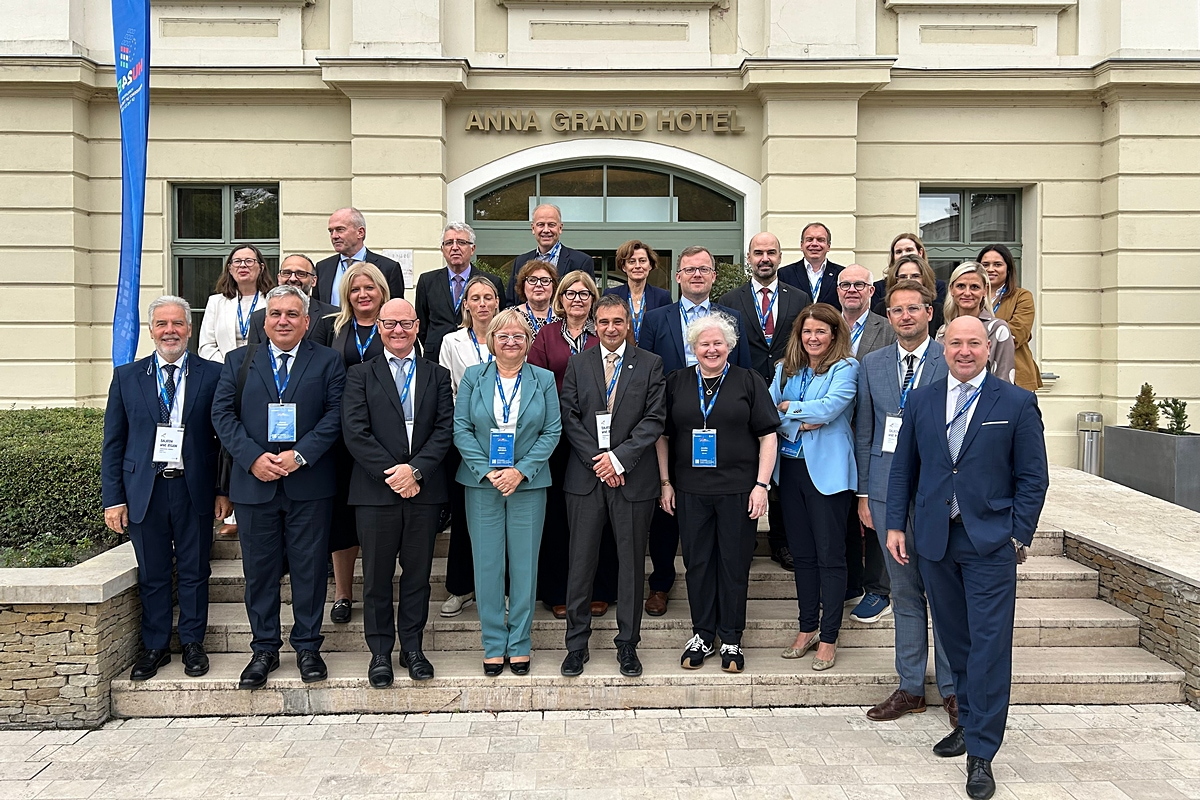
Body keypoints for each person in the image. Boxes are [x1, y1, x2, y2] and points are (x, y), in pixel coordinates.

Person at [887, 315, 1049, 800]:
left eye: (972, 343)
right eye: (954, 342)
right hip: (935, 542)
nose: (963, 351)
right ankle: (967, 722)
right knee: (955, 644)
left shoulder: (1016, 402)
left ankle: (982, 751)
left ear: (987, 347)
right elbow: (903, 471)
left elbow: (1032, 478)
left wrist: (1017, 535)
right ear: (943, 347)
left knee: (989, 647)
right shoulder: (922, 399)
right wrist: (897, 524)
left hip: (989, 542)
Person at [211, 285, 346, 689]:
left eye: (291, 314)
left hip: (309, 483)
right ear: (264, 320)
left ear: (307, 321)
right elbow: (222, 415)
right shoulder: (238, 361)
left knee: (308, 571)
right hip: (255, 484)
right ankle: (264, 649)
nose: (283, 321)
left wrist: (300, 455)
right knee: (260, 573)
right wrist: (252, 457)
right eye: (275, 314)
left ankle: (307, 647)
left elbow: (336, 415)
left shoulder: (328, 361)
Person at [102, 296, 228, 681]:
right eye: (161, 324)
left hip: (194, 488)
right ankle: (155, 646)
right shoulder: (127, 376)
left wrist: (223, 491)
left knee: (194, 571)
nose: (169, 331)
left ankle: (192, 643)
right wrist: (114, 499)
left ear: (190, 329)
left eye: (177, 324)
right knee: (153, 573)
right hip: (145, 490)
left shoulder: (214, 374)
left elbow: (224, 439)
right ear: (152, 330)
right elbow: (113, 442)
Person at [855, 280, 956, 725]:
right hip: (883, 492)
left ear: (929, 312)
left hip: (937, 495)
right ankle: (911, 687)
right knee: (904, 592)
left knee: (945, 594)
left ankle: (954, 690)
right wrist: (863, 493)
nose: (906, 317)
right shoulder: (872, 363)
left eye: (914, 309)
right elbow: (865, 431)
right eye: (897, 311)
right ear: (889, 317)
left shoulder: (948, 359)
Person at [657, 311, 779, 673]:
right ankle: (702, 634)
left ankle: (731, 637)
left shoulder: (748, 381)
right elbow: (662, 437)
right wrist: (665, 482)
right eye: (703, 344)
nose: (711, 349)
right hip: (690, 490)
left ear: (729, 346)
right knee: (697, 564)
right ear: (692, 348)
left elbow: (768, 436)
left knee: (733, 564)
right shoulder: (676, 381)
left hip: (739, 490)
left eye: (717, 343)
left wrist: (761, 485)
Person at [341, 298, 454, 688]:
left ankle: (413, 647)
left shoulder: (437, 375)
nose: (398, 330)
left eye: (405, 323)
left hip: (424, 490)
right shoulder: (359, 375)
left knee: (418, 576)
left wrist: (416, 470)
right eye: (389, 324)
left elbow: (445, 430)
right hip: (376, 492)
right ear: (379, 327)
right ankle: (379, 652)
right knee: (375, 577)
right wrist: (395, 474)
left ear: (418, 326)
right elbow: (355, 432)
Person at [638, 246, 752, 616]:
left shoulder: (731, 318)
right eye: (689, 270)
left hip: (725, 433)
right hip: (674, 425)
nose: (697, 275)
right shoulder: (657, 319)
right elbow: (646, 371)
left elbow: (747, 374)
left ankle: (719, 589)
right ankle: (661, 584)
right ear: (678, 276)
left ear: (714, 276)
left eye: (704, 269)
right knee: (668, 509)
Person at [559, 295, 667, 678]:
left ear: (628, 324)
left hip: (633, 479)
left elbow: (654, 420)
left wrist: (619, 459)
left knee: (631, 565)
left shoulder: (651, 364)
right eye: (603, 322)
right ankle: (576, 645)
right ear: (594, 324)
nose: (610, 328)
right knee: (581, 564)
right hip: (585, 480)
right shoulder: (578, 363)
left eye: (617, 321)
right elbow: (569, 417)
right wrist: (600, 462)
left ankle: (628, 646)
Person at [453, 308, 561, 675]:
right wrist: (488, 471)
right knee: (487, 566)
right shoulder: (472, 377)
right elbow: (461, 430)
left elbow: (552, 432)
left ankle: (520, 643)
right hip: (482, 484)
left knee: (525, 566)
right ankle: (493, 643)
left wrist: (520, 471)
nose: (511, 341)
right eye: (503, 336)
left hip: (528, 484)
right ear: (492, 341)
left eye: (518, 336)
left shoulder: (543, 379)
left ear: (528, 342)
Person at [769, 303, 859, 671]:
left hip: (828, 474)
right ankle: (807, 628)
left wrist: (792, 410)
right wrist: (797, 419)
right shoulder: (783, 369)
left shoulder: (847, 368)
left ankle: (829, 637)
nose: (813, 337)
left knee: (830, 556)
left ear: (834, 334)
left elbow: (829, 409)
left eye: (821, 331)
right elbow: (768, 410)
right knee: (802, 556)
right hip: (790, 471)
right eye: (807, 331)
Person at [718, 231, 811, 572]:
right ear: (749, 257)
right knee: (747, 466)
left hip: (789, 391)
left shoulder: (799, 297)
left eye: (771, 252)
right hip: (744, 393)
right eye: (758, 252)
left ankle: (782, 542)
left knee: (783, 469)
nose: (764, 258)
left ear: (780, 256)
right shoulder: (729, 300)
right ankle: (743, 540)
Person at [527, 271, 617, 619]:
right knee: (559, 518)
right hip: (558, 437)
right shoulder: (547, 334)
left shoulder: (605, 333)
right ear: (559, 299)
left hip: (602, 437)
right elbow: (534, 378)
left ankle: (601, 589)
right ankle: (557, 591)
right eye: (570, 293)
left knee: (602, 514)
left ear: (593, 299)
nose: (577, 299)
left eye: (584, 294)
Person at [310, 261, 391, 625]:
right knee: (343, 516)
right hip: (342, 436)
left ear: (381, 291)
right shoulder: (331, 328)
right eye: (356, 289)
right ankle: (343, 592)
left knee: (384, 513)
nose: (363, 294)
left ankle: (383, 586)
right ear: (346, 293)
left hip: (387, 438)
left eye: (369, 288)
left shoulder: (396, 326)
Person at [436, 274, 502, 618]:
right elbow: (447, 391)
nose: (481, 303)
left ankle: (501, 587)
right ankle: (461, 588)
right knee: (464, 518)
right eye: (474, 298)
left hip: (507, 437)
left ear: (497, 302)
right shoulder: (452, 341)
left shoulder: (510, 336)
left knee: (502, 514)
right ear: (466, 305)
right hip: (466, 439)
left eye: (488, 297)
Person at [198, 243, 272, 538]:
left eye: (249, 261)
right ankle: (233, 510)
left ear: (260, 267)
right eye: (236, 261)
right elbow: (206, 345)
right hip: (228, 379)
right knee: (232, 443)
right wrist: (233, 368)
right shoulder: (217, 302)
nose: (243, 266)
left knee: (259, 437)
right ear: (229, 268)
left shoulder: (272, 299)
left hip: (264, 381)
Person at [836, 265, 896, 625]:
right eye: (846, 285)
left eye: (860, 284)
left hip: (875, 432)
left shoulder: (887, 329)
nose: (852, 290)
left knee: (874, 510)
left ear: (872, 291)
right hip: (835, 434)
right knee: (843, 506)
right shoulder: (828, 325)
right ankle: (851, 581)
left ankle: (878, 589)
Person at [415, 222, 507, 366]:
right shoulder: (427, 281)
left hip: (476, 353)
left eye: (462, 242)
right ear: (442, 249)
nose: (455, 247)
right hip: (435, 355)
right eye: (449, 243)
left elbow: (499, 320)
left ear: (473, 249)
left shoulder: (491, 282)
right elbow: (422, 323)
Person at [938, 262, 1016, 384]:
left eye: (974, 287)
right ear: (951, 290)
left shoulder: (998, 329)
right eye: (961, 286)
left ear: (985, 291)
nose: (967, 293)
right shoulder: (943, 331)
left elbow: (1004, 379)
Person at [979, 243, 1042, 392]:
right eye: (985, 264)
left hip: (1015, 375)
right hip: (976, 374)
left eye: (998, 264)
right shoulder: (972, 296)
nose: (990, 269)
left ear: (1008, 269)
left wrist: (974, 339)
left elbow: (1017, 333)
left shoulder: (1022, 296)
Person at [504, 203, 594, 304]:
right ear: (533, 229)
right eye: (541, 225)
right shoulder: (520, 262)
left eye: (551, 225)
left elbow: (590, 302)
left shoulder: (581, 262)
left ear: (560, 228)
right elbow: (510, 302)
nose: (546, 230)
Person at [315, 207, 405, 305]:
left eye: (340, 230)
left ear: (360, 232)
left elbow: (396, 309)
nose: (334, 236)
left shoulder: (388, 268)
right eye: (331, 231)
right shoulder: (322, 268)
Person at [247, 254, 337, 345]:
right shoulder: (258, 318)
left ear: (313, 281)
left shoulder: (332, 315)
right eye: (287, 273)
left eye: (301, 274)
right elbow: (253, 356)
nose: (293, 278)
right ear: (279, 278)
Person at [602, 239, 672, 345]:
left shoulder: (662, 296)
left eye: (642, 261)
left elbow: (667, 332)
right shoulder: (611, 294)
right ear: (624, 267)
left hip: (653, 356)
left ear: (650, 265)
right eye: (631, 261)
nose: (638, 266)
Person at [871, 233, 947, 319]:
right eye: (899, 252)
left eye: (909, 250)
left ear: (920, 252)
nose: (904, 255)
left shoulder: (938, 296)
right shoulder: (879, 293)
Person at [877, 254, 945, 338]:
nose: (909, 280)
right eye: (903, 277)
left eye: (915, 276)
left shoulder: (940, 312)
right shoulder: (881, 309)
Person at [778, 222, 844, 308]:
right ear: (801, 245)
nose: (814, 244)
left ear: (828, 246)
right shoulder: (784, 274)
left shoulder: (841, 274)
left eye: (820, 240)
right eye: (809, 239)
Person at [513, 259, 560, 336]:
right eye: (532, 280)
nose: (538, 284)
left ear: (553, 286)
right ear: (523, 285)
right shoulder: (510, 315)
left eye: (545, 281)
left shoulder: (564, 317)